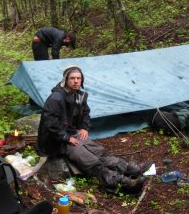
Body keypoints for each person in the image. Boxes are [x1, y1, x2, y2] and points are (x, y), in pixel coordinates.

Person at [37, 65, 146, 193]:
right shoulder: (56, 98)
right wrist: (66, 138)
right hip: (56, 140)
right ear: (65, 80)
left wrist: (84, 127)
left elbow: (85, 113)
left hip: (72, 132)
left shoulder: (78, 96)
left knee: (99, 150)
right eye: (72, 78)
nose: (76, 81)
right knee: (88, 158)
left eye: (79, 78)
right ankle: (113, 180)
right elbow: (50, 123)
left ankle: (126, 168)